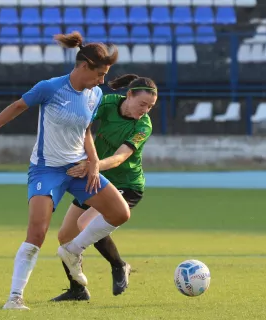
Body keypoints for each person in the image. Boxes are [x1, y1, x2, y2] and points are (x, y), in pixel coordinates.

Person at [0, 31, 131, 310]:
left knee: (120, 212)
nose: (102, 81)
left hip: (78, 169)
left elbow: (85, 131)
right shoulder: (50, 87)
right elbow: (17, 106)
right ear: (83, 66)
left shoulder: (95, 94)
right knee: (37, 233)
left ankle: (73, 250)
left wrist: (94, 162)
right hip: (46, 170)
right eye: (100, 74)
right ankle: (15, 298)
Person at [50, 74, 157, 301]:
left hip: (126, 185)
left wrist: (92, 165)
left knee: (85, 223)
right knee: (65, 236)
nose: (145, 110)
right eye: (142, 104)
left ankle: (119, 265)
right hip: (96, 179)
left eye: (150, 106)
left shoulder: (143, 125)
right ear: (128, 95)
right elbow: (84, 125)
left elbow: (119, 158)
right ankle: (77, 290)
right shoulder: (107, 103)